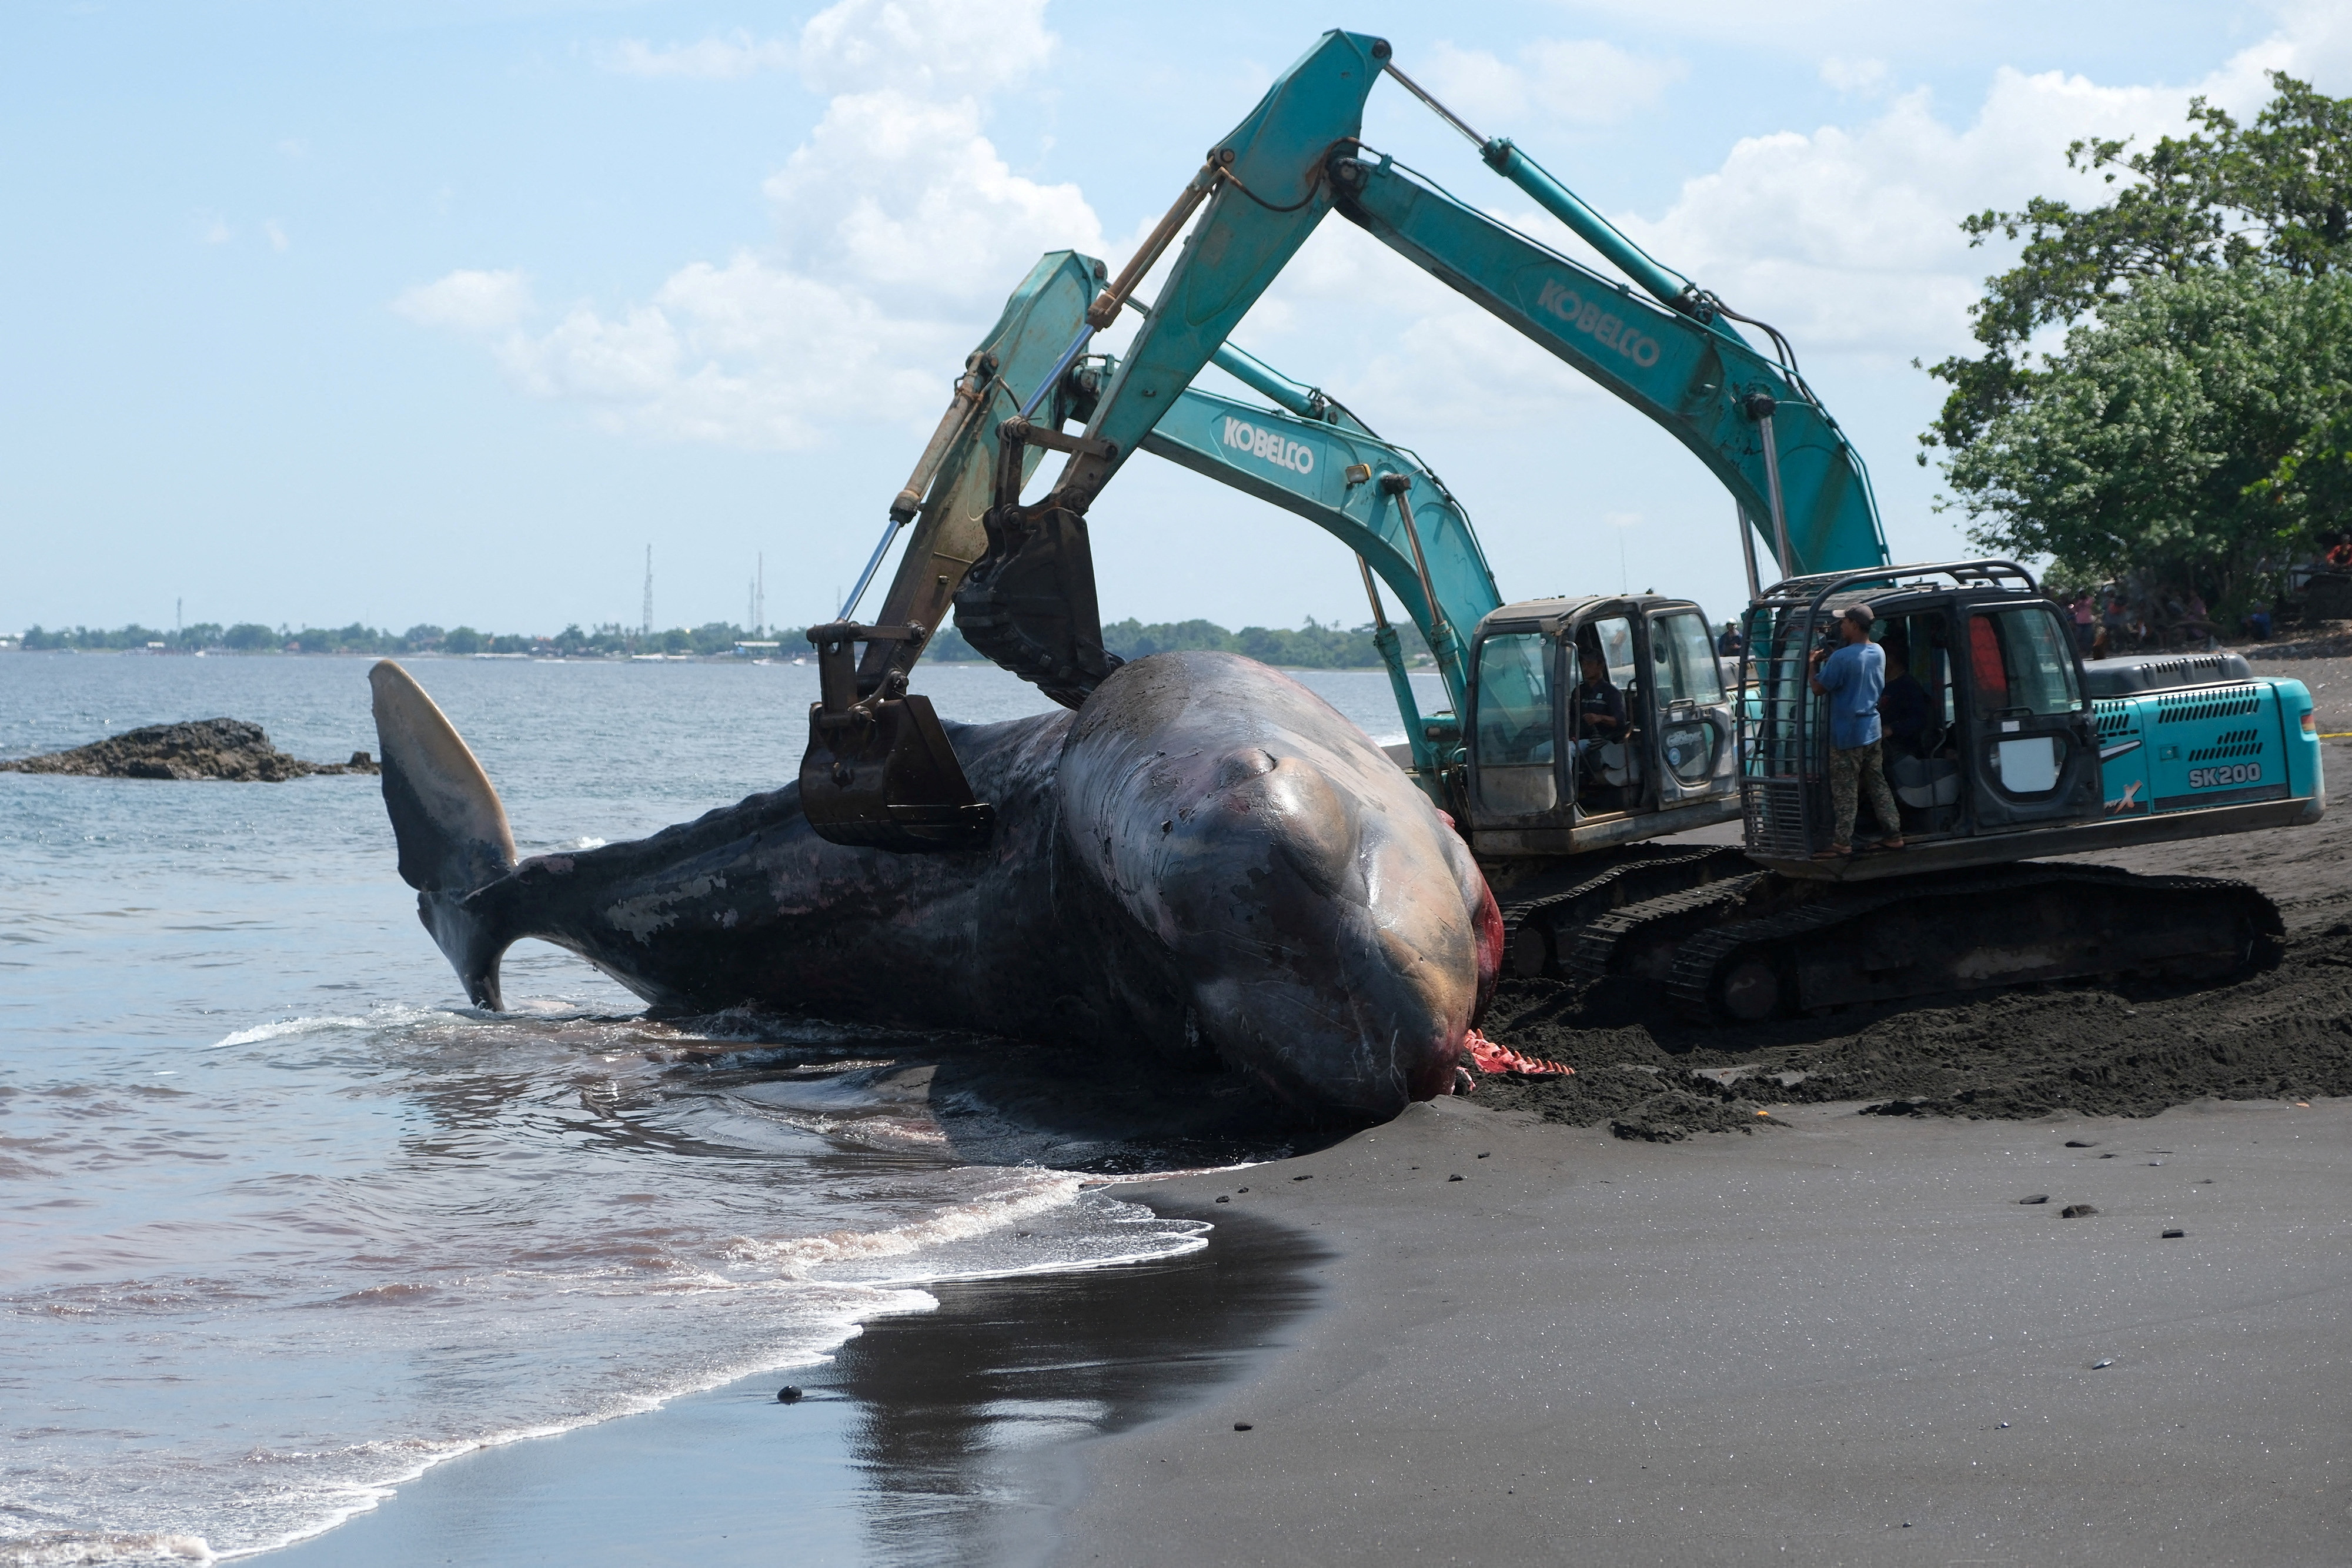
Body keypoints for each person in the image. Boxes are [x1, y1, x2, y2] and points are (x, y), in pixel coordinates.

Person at [1808, 604, 1903, 857]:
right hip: (1871, 730)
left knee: (1845, 789)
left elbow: (1818, 689)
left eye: (1844, 622)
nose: (1841, 626)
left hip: (1847, 734)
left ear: (1854, 625)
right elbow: (1855, 665)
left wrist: (1812, 666)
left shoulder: (1842, 658)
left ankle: (1842, 843)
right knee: (1877, 783)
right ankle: (1893, 834)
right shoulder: (1878, 652)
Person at [1569, 651, 1626, 777]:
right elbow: (1570, 716)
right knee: (1542, 750)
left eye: (1589, 664)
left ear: (1601, 666)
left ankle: (1565, 789)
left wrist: (1600, 718)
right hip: (1574, 737)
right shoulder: (1578, 691)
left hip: (1595, 740)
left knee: (1566, 750)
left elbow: (1620, 721)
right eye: (1583, 664)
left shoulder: (1612, 693)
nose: (1585, 668)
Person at [1877, 640, 1933, 758]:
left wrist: (1892, 729)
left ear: (1891, 659)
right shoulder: (1878, 684)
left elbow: (1918, 720)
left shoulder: (1909, 687)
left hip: (1901, 748)